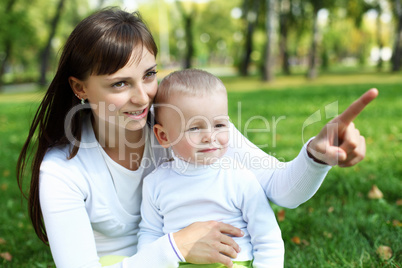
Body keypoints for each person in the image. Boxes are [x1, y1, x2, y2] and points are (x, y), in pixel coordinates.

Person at [16, 7, 378, 268]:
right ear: (80, 88)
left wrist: (316, 156)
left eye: (149, 74)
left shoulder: (192, 127)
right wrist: (177, 247)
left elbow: (282, 189)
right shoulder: (62, 172)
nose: (143, 97)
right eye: (120, 84)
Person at [137, 69, 285, 268]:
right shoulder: (155, 183)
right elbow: (150, 233)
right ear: (163, 136)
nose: (209, 136)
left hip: (232, 263)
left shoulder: (238, 178)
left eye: (219, 125)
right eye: (195, 128)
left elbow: (267, 236)